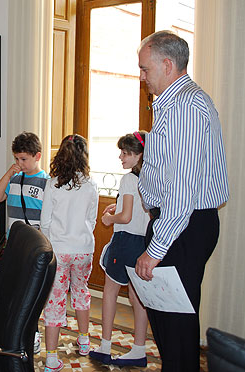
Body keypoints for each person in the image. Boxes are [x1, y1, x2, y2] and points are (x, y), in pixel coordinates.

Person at [134, 31, 229, 372]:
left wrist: (156, 248)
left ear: (168, 64)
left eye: (145, 69)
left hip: (183, 226)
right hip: (179, 224)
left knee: (175, 325)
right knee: (170, 321)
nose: (142, 76)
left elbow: (182, 187)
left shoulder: (186, 106)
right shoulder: (175, 103)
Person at [90, 131, 150, 367]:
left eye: (126, 153)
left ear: (139, 154)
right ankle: (139, 349)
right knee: (138, 298)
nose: (121, 157)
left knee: (110, 292)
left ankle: (105, 346)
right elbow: (138, 210)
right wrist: (120, 205)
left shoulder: (128, 179)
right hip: (144, 244)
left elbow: (124, 217)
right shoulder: (151, 177)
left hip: (125, 241)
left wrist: (108, 219)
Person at [39, 134, 98, 372]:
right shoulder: (91, 184)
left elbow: (45, 222)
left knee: (55, 299)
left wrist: (52, 242)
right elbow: (91, 219)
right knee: (82, 292)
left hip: (59, 250)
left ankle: (51, 357)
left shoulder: (52, 184)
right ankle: (84, 341)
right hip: (83, 249)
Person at [0, 131, 49, 353]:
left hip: (33, 250)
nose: (19, 163)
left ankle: (32, 333)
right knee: (13, 293)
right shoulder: (14, 179)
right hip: (12, 247)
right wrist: (9, 173)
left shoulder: (46, 182)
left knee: (30, 296)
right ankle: (11, 333)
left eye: (23, 159)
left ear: (37, 156)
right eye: (16, 159)